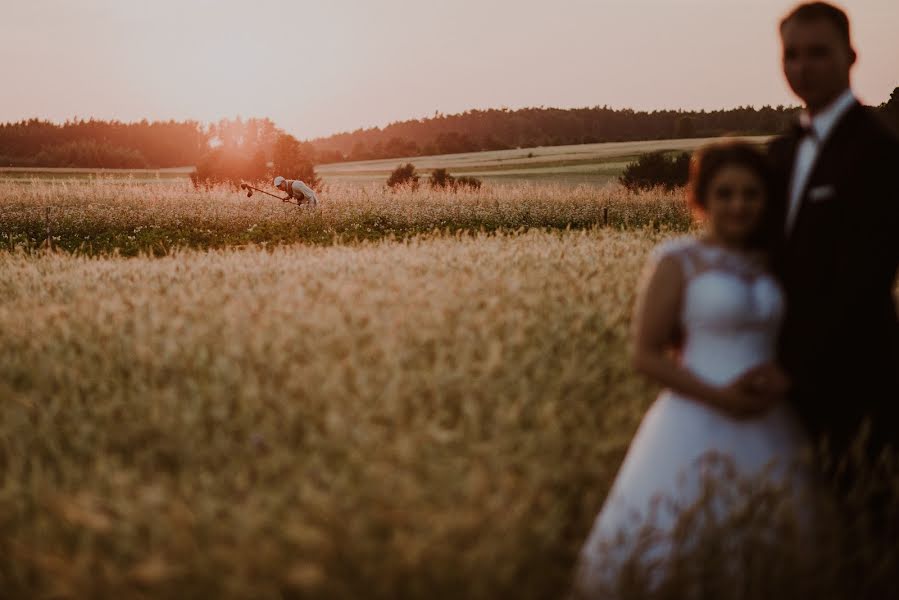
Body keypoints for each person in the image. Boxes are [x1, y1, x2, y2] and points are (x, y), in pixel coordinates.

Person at [572, 143, 811, 597]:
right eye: (725, 193)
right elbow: (644, 354)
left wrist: (784, 378)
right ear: (701, 198)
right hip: (694, 423)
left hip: (772, 422)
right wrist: (720, 397)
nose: (738, 205)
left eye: (750, 194)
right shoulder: (676, 259)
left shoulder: (770, 263)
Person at [768, 2, 899, 473]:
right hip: (779, 391)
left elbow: (865, 277)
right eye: (792, 55)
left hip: (857, 379)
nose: (803, 67)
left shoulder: (881, 151)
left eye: (818, 53)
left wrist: (792, 368)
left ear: (851, 56)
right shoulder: (779, 153)